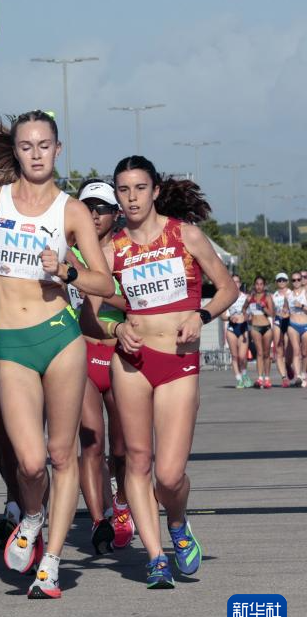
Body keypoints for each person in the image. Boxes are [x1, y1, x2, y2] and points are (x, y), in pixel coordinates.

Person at [0, 111, 115, 599]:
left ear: (58, 150)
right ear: (16, 151)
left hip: (60, 337)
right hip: (9, 343)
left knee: (61, 454)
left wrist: (66, 271)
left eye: (45, 145)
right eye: (27, 146)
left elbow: (105, 284)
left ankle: (52, 563)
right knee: (28, 462)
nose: (37, 153)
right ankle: (31, 515)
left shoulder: (72, 211)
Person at [102, 155, 237, 588]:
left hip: (178, 360)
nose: (132, 198)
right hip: (132, 362)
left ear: (155, 191)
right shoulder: (111, 249)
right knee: (137, 461)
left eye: (140, 188)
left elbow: (228, 288)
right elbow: (94, 313)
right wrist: (117, 328)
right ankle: (156, 556)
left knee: (169, 475)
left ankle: (177, 523)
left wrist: (202, 314)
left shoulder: (185, 235)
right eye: (124, 190)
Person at [68, 179, 133, 554]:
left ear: (115, 214)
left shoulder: (127, 252)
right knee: (91, 443)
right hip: (81, 355)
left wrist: (96, 284)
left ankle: (121, 502)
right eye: (87, 208)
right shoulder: (66, 250)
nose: (94, 215)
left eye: (102, 209)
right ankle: (98, 520)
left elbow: (138, 304)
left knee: (122, 451)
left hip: (119, 356)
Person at [243, 276, 274, 388]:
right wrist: (246, 316)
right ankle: (260, 378)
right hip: (255, 327)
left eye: (261, 284)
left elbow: (272, 313)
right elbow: (244, 308)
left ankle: (267, 378)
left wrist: (263, 307)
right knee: (259, 353)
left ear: (264, 285)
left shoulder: (267, 297)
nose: (259, 286)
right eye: (257, 284)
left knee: (267, 354)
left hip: (266, 327)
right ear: (254, 285)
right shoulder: (250, 298)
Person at [271, 273, 300, 386]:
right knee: (279, 349)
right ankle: (284, 378)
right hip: (278, 321)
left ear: (287, 281)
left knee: (289, 349)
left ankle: (288, 364)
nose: (281, 282)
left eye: (283, 280)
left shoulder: (291, 293)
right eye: (279, 280)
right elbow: (272, 311)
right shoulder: (274, 295)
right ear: (276, 282)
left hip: (289, 321)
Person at [223, 274, 250, 388]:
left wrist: (247, 317)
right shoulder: (227, 298)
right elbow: (222, 316)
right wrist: (230, 318)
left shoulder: (246, 297)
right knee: (234, 356)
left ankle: (244, 374)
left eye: (237, 282)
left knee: (242, 356)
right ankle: (239, 379)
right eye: (233, 281)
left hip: (243, 328)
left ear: (240, 284)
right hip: (231, 329)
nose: (235, 284)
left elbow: (251, 313)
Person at [289, 272, 307, 387]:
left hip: (305, 325)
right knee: (296, 351)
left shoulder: (305, 293)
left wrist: (301, 306)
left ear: (302, 280)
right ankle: (298, 376)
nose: (296, 282)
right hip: (293, 325)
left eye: (298, 279)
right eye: (294, 280)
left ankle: (304, 374)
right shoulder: (289, 295)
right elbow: (285, 310)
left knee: (305, 352)